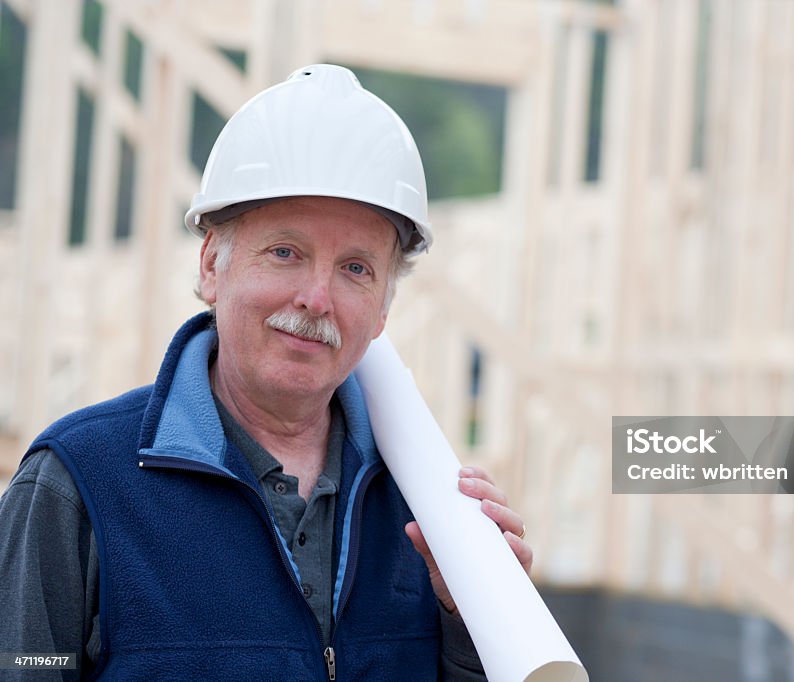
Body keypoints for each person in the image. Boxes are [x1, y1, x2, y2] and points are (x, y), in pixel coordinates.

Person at [0, 64, 533, 680]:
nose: (317, 297)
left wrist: (476, 622)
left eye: (356, 268)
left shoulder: (429, 504)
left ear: (385, 307)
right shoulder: (78, 483)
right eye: (285, 252)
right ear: (211, 267)